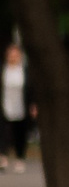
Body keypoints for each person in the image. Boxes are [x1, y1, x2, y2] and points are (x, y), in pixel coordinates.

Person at [2, 41, 28, 171]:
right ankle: (3, 156)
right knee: (4, 132)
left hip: (20, 104)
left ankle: (20, 157)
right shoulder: (4, 70)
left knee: (19, 132)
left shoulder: (24, 70)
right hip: (6, 104)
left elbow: (30, 89)